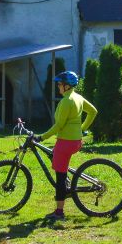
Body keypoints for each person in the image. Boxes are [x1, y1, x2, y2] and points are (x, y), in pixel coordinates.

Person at [35, 69, 98, 221]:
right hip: (75, 141)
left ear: (67, 86)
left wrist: (41, 137)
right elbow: (93, 112)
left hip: (66, 142)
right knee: (54, 156)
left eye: (60, 84)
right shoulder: (78, 97)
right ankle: (66, 186)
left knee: (60, 177)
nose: (58, 87)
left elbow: (58, 126)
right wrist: (82, 129)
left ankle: (59, 212)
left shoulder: (66, 101)